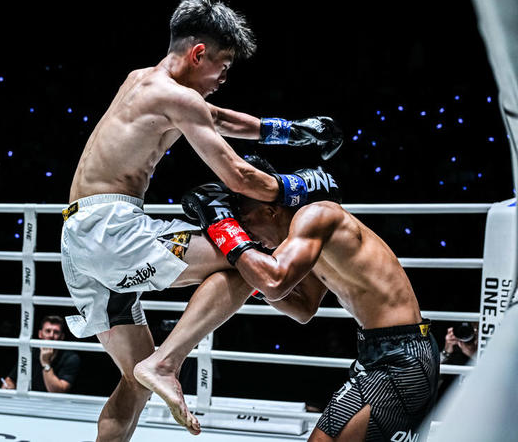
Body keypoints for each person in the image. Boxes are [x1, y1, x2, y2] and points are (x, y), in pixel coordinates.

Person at [60, 0, 343, 441]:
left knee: (134, 383)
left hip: (79, 236)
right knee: (245, 262)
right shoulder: (179, 98)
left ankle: (154, 367)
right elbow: (239, 178)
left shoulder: (141, 80)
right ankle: (166, 362)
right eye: (223, 66)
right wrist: (301, 185)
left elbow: (220, 118)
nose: (223, 78)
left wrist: (295, 132)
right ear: (198, 54)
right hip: (112, 231)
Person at [171, 155, 439, 441]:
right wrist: (250, 274)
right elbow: (303, 308)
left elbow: (274, 282)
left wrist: (223, 227)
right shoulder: (302, 243)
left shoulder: (316, 215)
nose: (248, 234)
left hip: (402, 355)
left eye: (246, 222)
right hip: (380, 351)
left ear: (270, 210)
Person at [1, 315, 80, 393]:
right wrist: (8, 385)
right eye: (48, 331)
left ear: (62, 337)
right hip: (31, 399)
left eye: (56, 332)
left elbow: (58, 391)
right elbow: (11, 379)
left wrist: (45, 363)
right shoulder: (30, 353)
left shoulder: (71, 358)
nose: (51, 335)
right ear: (40, 334)